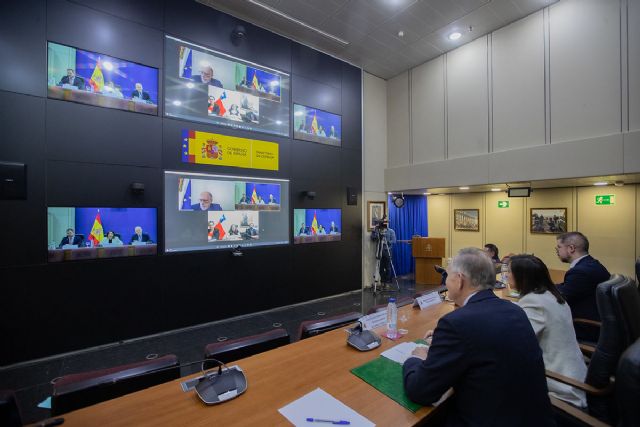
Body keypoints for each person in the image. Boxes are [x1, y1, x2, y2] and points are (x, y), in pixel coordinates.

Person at [403, 248, 554, 426]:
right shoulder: (515, 310)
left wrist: (416, 358)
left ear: (459, 280)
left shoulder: (455, 324)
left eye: (448, 275)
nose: (446, 280)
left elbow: (421, 391)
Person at [508, 255, 587, 408]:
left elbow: (516, 344)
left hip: (560, 386)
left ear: (522, 277)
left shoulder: (534, 302)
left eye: (509, 272)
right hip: (574, 373)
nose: (506, 275)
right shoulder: (550, 295)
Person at [556, 231, 610, 341]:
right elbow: (566, 287)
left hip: (585, 327)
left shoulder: (580, 272)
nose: (557, 251)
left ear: (571, 248)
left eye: (559, 247)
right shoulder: (591, 264)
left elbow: (560, 298)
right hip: (599, 322)